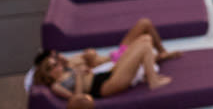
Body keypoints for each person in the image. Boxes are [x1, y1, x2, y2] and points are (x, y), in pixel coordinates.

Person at [33, 31, 175, 103]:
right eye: (54, 65)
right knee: (144, 46)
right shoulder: (56, 86)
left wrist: (85, 71)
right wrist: (79, 76)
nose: (59, 65)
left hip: (104, 76)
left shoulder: (66, 70)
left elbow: (84, 70)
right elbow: (77, 99)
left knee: (145, 38)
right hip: (102, 87)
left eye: (56, 62)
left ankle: (149, 75)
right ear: (49, 73)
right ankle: (153, 81)